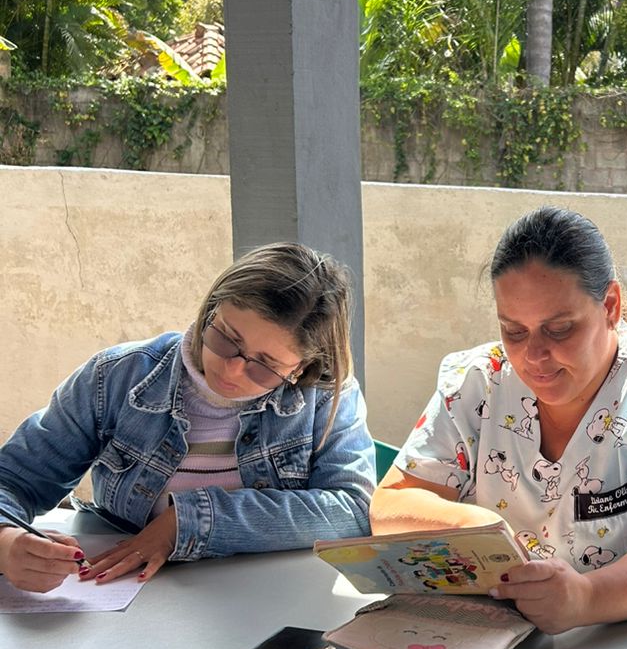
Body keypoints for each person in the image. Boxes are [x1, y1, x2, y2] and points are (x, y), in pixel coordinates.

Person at [371, 205, 627, 634]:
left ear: (610, 306)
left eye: (560, 329)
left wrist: (586, 598)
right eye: (514, 331)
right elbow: (391, 505)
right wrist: (473, 528)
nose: (534, 356)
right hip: (515, 642)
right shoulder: (477, 384)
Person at [0, 243, 374, 593]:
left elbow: (353, 511)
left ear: (300, 368)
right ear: (210, 310)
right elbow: (13, 480)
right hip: (128, 593)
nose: (231, 370)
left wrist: (189, 521)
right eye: (227, 339)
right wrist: (6, 541)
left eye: (264, 365)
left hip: (271, 595)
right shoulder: (115, 377)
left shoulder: (325, 397)